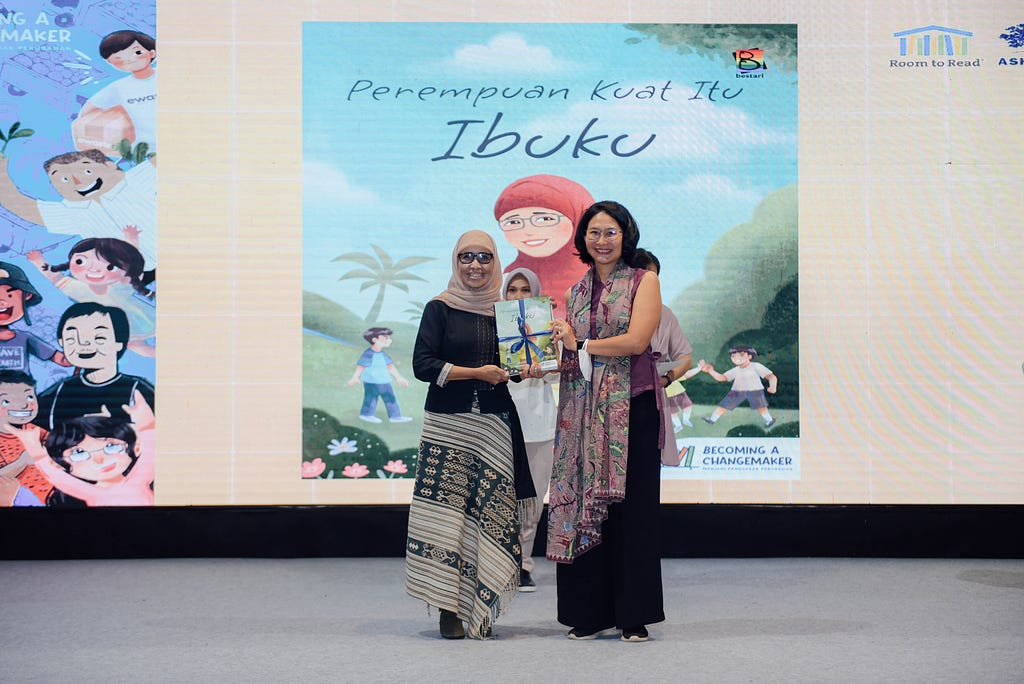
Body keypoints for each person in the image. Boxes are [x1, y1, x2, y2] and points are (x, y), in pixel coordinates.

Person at [405, 230, 535, 640]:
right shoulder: (440, 308)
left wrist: (529, 366)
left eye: (483, 257)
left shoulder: (511, 312)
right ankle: (448, 606)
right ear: (455, 262)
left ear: (495, 262)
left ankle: (482, 605)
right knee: (446, 516)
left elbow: (515, 363)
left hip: (493, 423)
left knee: (489, 514)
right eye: (466, 257)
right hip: (448, 423)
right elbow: (423, 365)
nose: (475, 265)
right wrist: (476, 373)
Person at [549, 200, 665, 643]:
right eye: (594, 232)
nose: (601, 240)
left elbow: (636, 341)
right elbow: (569, 353)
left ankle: (632, 616)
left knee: (631, 514)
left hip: (630, 410)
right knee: (580, 503)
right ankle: (588, 612)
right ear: (582, 239)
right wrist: (540, 357)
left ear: (625, 235)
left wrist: (581, 344)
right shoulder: (575, 292)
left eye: (610, 232)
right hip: (580, 413)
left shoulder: (643, 281)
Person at [501, 267, 557, 592]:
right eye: (513, 290)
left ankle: (523, 564)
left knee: (533, 501)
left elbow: (559, 372)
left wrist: (544, 363)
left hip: (539, 426)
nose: (519, 297)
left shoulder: (548, 328)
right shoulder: (493, 328)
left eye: (525, 291)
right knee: (503, 498)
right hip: (503, 424)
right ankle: (500, 563)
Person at [33, 302, 155, 430]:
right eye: (72, 338)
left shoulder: (136, 390)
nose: (83, 344)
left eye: (99, 337)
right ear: (62, 342)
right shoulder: (61, 390)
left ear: (119, 342)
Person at [27, 238, 156, 357]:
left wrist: (131, 237)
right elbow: (54, 277)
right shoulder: (79, 288)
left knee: (141, 342)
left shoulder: (118, 282)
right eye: (80, 261)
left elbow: (131, 259)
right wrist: (38, 261)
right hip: (124, 323)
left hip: (139, 318)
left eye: (109, 267)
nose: (94, 271)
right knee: (136, 346)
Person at [493, 174, 594, 308]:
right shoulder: (508, 279)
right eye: (513, 222)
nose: (528, 231)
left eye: (545, 219)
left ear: (578, 219)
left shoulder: (598, 275)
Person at [633, 248, 694, 465]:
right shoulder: (612, 313)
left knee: (647, 472)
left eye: (654, 280)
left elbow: (686, 358)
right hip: (616, 405)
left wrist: (666, 379)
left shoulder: (664, 313)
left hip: (652, 404)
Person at [702, 345, 778, 428]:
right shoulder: (736, 369)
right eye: (733, 356)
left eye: (741, 354)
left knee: (761, 407)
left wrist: (773, 386)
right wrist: (711, 371)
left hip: (755, 390)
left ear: (749, 356)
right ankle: (712, 419)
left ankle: (769, 420)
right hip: (737, 391)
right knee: (724, 405)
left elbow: (771, 376)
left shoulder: (756, 366)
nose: (736, 357)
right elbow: (722, 378)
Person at [347, 327, 412, 424]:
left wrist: (398, 378)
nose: (389, 340)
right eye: (386, 338)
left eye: (389, 338)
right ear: (374, 340)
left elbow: (390, 366)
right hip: (371, 381)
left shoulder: (383, 354)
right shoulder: (368, 354)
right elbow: (361, 366)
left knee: (389, 397)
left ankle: (394, 416)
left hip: (383, 380)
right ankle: (367, 415)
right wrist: (355, 377)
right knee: (372, 398)